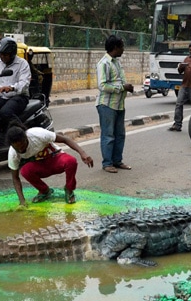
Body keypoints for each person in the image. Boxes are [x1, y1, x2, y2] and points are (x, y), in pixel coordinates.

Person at [7, 123, 93, 206]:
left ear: (26, 138)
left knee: (71, 161)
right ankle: (44, 191)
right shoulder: (13, 153)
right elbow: (15, 178)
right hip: (40, 166)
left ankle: (69, 189)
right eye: (17, 148)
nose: (21, 150)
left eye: (23, 146)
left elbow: (65, 139)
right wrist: (22, 200)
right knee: (25, 171)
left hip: (55, 159)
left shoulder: (37, 134)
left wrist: (83, 153)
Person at [96, 35, 135, 173]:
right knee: (108, 135)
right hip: (107, 105)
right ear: (115, 47)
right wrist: (122, 88)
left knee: (120, 135)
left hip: (119, 104)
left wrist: (126, 87)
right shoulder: (104, 64)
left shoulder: (116, 62)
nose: (123, 50)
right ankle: (107, 163)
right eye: (122, 47)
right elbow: (102, 85)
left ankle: (117, 161)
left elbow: (118, 81)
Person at [0, 37, 31, 132]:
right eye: (0, 54)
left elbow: (24, 83)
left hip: (19, 96)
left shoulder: (22, 63)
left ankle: (22, 134)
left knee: (5, 112)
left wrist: (11, 88)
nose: (2, 57)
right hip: (2, 96)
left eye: (5, 55)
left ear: (12, 54)